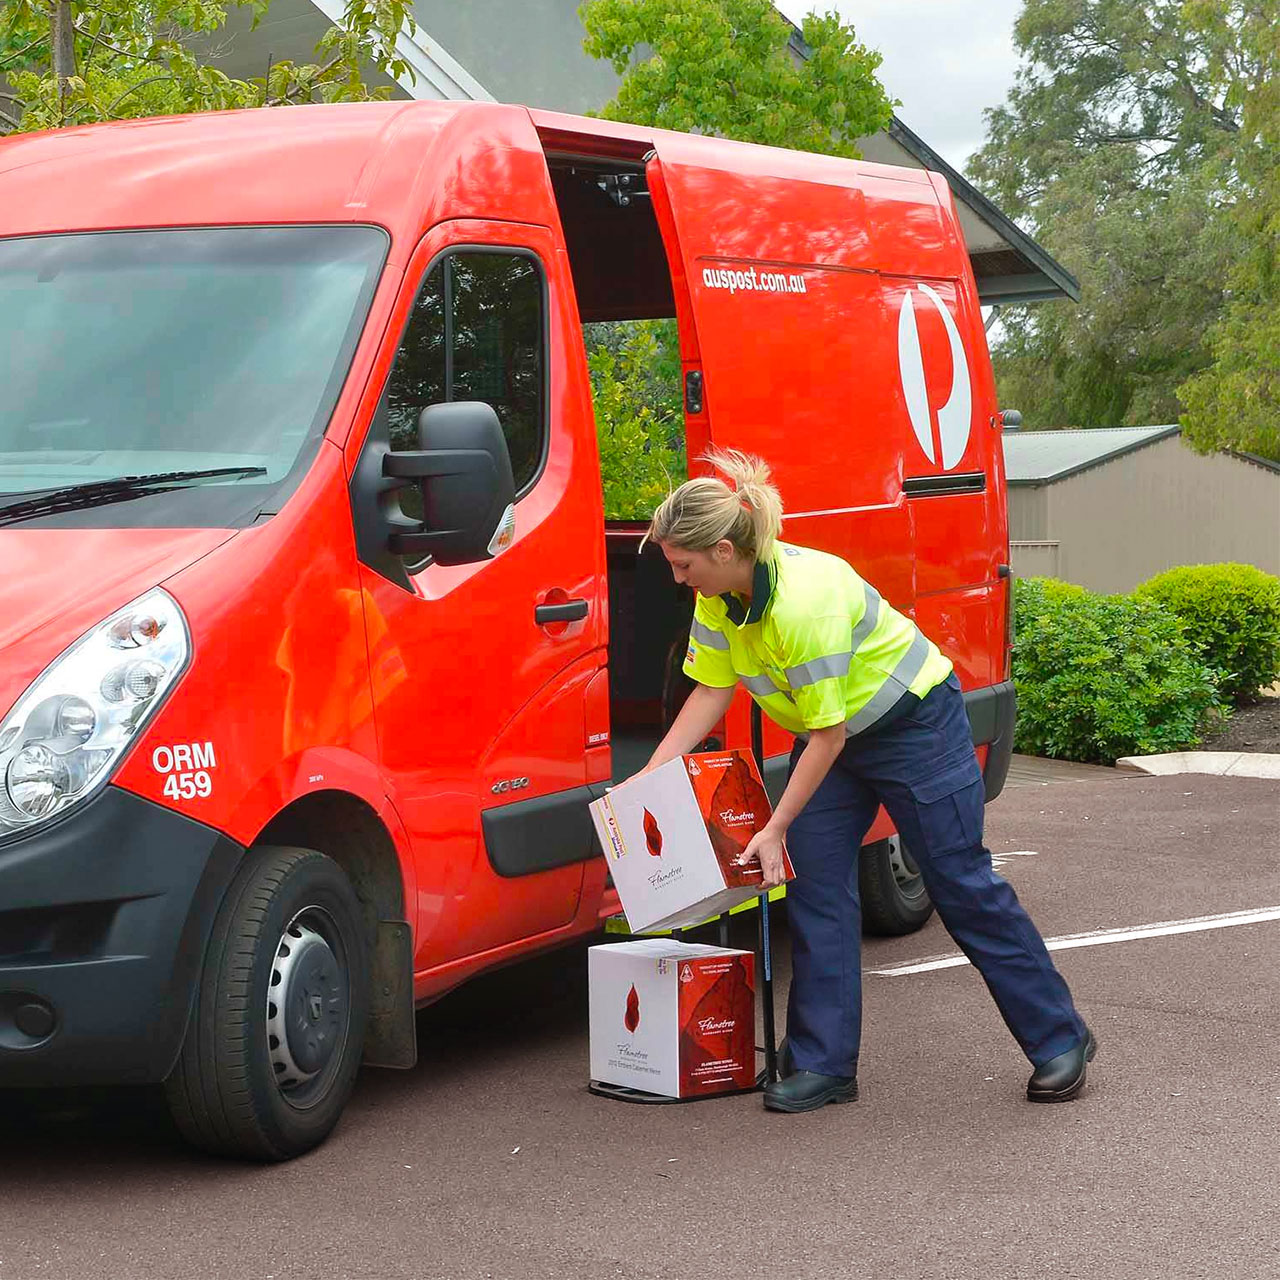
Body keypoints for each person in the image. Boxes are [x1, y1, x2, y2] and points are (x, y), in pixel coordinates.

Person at [637, 448, 1094, 1114]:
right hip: (840, 740)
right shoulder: (720, 598)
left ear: (728, 549)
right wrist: (652, 776)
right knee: (819, 886)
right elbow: (710, 689)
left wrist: (775, 826)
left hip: (915, 728)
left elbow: (827, 737)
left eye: (685, 564)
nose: (679, 578)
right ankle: (825, 1065)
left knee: (960, 884)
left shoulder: (804, 605)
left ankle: (1061, 1038)